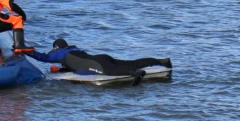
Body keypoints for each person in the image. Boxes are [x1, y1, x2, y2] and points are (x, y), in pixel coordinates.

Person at [27, 38, 172, 86]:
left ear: (56, 48)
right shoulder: (73, 48)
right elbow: (71, 65)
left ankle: (136, 73)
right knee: (131, 62)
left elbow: (43, 57)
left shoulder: (58, 53)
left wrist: (26, 51)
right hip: (101, 57)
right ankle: (161, 61)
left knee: (111, 71)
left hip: (96, 65)